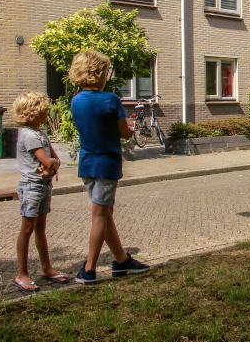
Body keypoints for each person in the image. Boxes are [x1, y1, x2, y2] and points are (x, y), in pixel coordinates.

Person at [69, 50, 150, 284]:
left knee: (106, 214)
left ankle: (122, 260)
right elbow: (124, 131)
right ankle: (89, 268)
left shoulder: (76, 101)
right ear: (99, 73)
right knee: (99, 215)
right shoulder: (111, 100)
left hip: (86, 164)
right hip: (106, 164)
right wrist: (128, 132)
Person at [11, 92, 69, 292]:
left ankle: (46, 268)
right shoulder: (28, 135)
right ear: (32, 114)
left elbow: (56, 160)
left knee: (40, 228)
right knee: (27, 229)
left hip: (44, 185)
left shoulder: (41, 134)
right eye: (45, 110)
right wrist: (51, 165)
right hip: (31, 186)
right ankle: (22, 274)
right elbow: (48, 161)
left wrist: (51, 165)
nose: (48, 112)